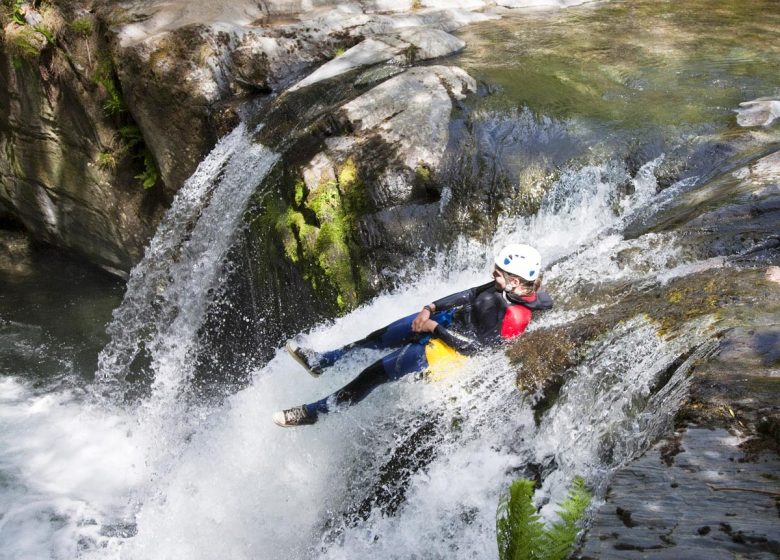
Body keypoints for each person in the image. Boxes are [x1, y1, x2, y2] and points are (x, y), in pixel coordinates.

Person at [272, 244, 553, 427]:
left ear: (515, 282)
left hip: (444, 351)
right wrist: (429, 309)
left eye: (499, 274)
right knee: (376, 338)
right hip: (446, 321)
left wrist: (434, 329)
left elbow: (476, 348)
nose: (493, 275)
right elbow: (469, 294)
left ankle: (313, 413)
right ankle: (323, 361)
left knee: (372, 375)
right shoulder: (503, 287)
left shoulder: (514, 317)